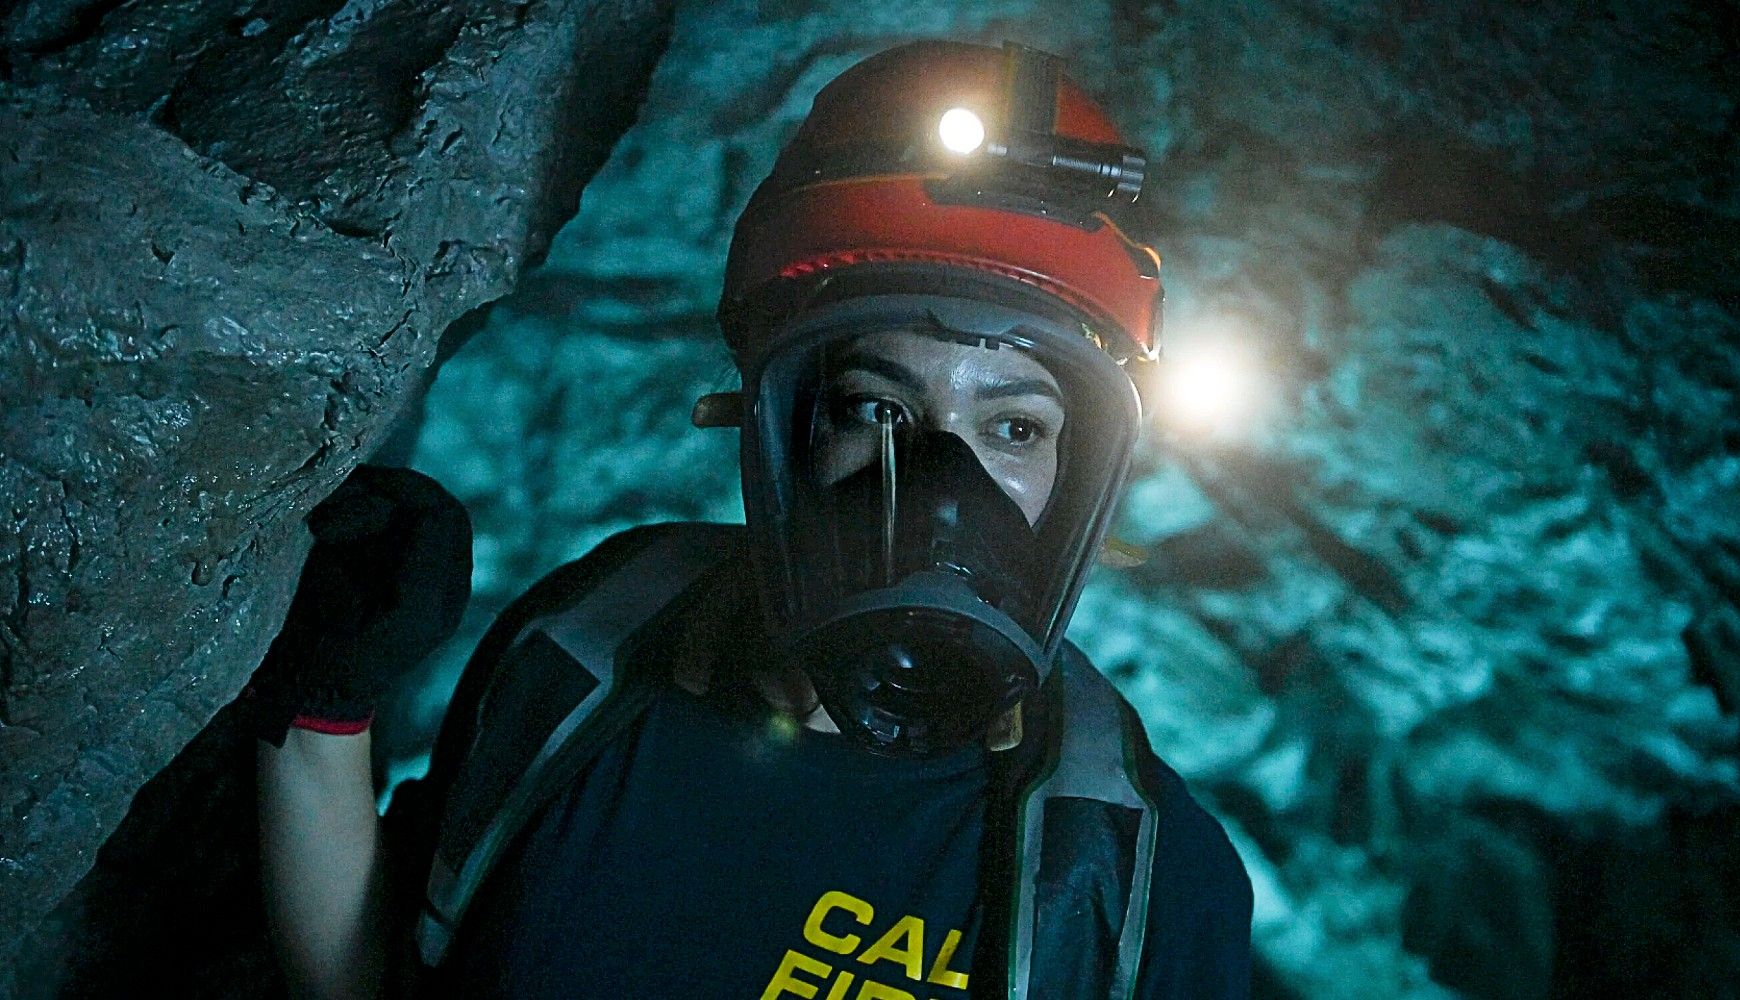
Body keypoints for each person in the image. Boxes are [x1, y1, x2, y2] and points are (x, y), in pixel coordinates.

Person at [251, 39, 1252, 999]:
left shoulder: (1134, 881)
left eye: (1014, 427)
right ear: (778, 422)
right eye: (878, 407)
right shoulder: (587, 652)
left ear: (1079, 476)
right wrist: (323, 711)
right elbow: (377, 980)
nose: (946, 488)